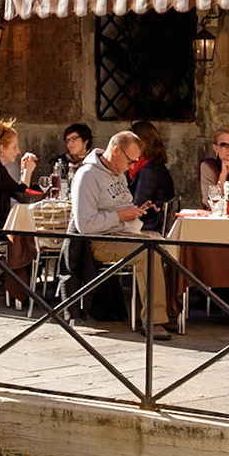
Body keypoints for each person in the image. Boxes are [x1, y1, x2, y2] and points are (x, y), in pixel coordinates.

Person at [68, 129, 171, 339]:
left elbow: (122, 205)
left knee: (168, 245)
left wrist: (138, 209)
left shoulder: (118, 173)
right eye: (130, 161)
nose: (132, 166)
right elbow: (85, 225)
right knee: (148, 253)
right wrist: (122, 215)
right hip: (101, 241)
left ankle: (171, 311)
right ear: (116, 151)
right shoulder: (87, 176)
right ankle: (153, 320)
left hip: (123, 233)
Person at [0, 118, 42, 228]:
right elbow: (21, 195)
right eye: (14, 147)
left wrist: (25, 171)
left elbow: (17, 191)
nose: (18, 151)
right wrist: (27, 171)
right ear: (1, 148)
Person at [127, 121, 175, 234]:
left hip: (148, 224)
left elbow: (137, 206)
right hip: (149, 220)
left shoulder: (150, 170)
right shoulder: (151, 164)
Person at [199, 127, 229, 208]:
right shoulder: (208, 166)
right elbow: (210, 203)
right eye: (224, 145)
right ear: (215, 148)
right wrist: (223, 175)